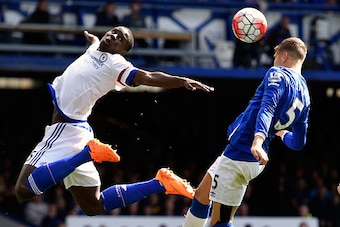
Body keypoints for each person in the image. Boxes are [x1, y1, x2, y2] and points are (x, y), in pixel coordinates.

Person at [15, 26, 214, 216]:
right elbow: (95, 43)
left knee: (23, 189)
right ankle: (160, 183)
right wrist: (93, 39)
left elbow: (148, 76)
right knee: (93, 206)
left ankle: (88, 154)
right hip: (77, 131)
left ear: (122, 52)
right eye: (114, 32)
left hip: (66, 129)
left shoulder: (116, 64)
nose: (114, 37)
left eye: (121, 39)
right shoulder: (95, 48)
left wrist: (182, 81)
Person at [182, 37, 310, 227]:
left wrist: (257, 140)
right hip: (243, 155)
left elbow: (267, 107)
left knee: (220, 222)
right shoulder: (305, 95)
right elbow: (299, 142)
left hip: (242, 153)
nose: (273, 61)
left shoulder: (278, 73)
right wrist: (283, 134)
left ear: (284, 56)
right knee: (201, 195)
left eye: (274, 57)